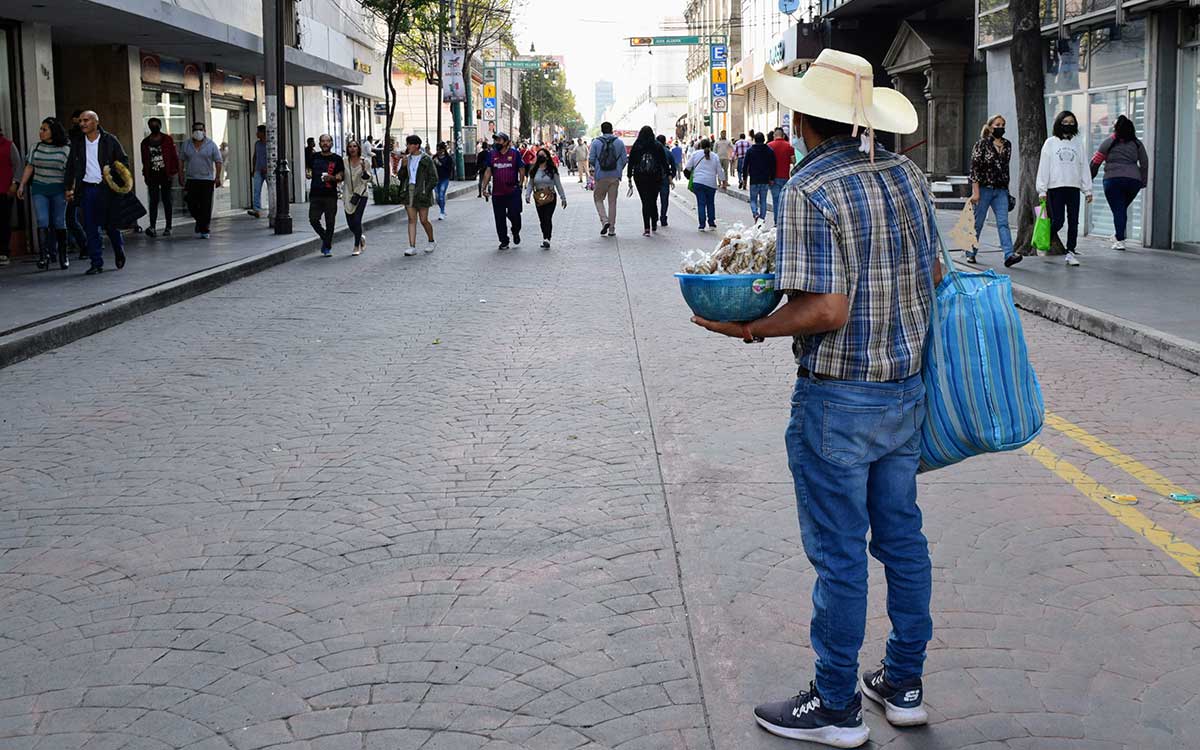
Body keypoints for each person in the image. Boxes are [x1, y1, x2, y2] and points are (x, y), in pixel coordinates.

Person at [691, 50, 940, 748]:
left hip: (839, 400)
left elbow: (824, 309)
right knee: (902, 539)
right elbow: (937, 272)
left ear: (801, 119)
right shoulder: (906, 175)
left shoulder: (810, 188)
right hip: (904, 390)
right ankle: (905, 682)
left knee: (840, 555)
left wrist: (750, 327)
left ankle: (836, 705)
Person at [65, 110, 128, 275]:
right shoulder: (77, 142)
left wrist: (111, 173)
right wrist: (68, 188)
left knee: (111, 224)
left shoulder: (110, 140)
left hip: (106, 188)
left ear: (96, 122)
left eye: (86, 120)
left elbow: (123, 161)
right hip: (87, 189)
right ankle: (96, 262)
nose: (82, 124)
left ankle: (118, 249)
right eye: (80, 121)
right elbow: (70, 166)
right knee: (90, 226)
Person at [1036, 110, 1092, 267]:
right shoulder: (1050, 143)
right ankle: (1043, 241)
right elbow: (1044, 167)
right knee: (1058, 221)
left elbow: (1083, 166)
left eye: (1071, 122)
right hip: (1056, 187)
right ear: (1059, 124)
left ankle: (1070, 252)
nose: (1068, 125)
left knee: (1074, 222)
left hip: (1073, 188)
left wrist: (1087, 189)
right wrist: (1042, 189)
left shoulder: (1078, 143)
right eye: (1065, 122)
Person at [16, 117, 71, 270]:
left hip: (59, 189)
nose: (41, 132)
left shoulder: (65, 149)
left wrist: (70, 189)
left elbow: (69, 171)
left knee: (59, 221)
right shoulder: (36, 147)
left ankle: (62, 255)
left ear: (53, 131)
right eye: (41, 129)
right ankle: (43, 256)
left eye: (44, 129)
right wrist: (22, 185)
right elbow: (29, 167)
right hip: (39, 188)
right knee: (42, 220)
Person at [1092, 114, 1149, 252]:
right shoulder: (1137, 143)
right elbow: (1145, 163)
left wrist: (1089, 178)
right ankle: (1118, 235)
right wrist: (1143, 181)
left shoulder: (1109, 142)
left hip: (1113, 180)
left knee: (1119, 210)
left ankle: (1120, 240)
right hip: (1133, 181)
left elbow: (1096, 162)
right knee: (1121, 209)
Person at [968, 114, 1019, 267]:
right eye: (997, 125)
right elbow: (974, 170)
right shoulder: (981, 145)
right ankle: (971, 252)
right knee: (978, 223)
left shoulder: (1007, 145)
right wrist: (975, 192)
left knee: (1003, 223)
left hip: (1001, 191)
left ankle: (1009, 254)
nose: (1000, 128)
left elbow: (1005, 170)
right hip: (984, 190)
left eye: (1003, 125)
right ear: (990, 127)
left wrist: (1007, 191)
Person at [179, 121, 223, 240]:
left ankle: (205, 228)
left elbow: (218, 161)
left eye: (200, 129)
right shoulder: (186, 144)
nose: (198, 132)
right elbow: (181, 160)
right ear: (192, 131)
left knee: (205, 205)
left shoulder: (211, 144)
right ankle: (200, 221)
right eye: (196, 130)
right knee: (191, 203)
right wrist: (181, 175)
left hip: (207, 180)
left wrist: (218, 177)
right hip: (192, 179)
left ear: (204, 131)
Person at [480, 132, 523, 250]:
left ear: (506, 142)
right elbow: (488, 171)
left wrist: (520, 183)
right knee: (499, 218)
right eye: (496, 140)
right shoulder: (492, 154)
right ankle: (504, 240)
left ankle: (515, 231)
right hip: (497, 192)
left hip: (512, 191)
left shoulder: (515, 154)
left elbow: (521, 168)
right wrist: (483, 188)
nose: (497, 143)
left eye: (499, 140)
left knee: (514, 214)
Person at [397, 134, 437, 257]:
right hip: (409, 190)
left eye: (410, 144)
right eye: (407, 144)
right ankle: (411, 246)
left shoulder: (426, 159)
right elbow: (401, 177)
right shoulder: (405, 159)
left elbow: (434, 177)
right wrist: (403, 167)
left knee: (423, 220)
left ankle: (431, 241)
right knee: (411, 219)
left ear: (417, 145)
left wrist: (427, 190)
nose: (408, 146)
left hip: (422, 191)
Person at [626, 126, 671, 236]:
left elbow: (631, 161)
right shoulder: (657, 145)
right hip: (655, 176)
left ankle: (647, 228)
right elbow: (664, 162)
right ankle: (654, 222)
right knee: (653, 200)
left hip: (640, 177)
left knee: (645, 201)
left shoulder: (637, 145)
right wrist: (668, 174)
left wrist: (629, 177)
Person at [140, 117, 178, 237]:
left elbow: (173, 156)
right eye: (151, 125)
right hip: (152, 175)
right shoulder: (145, 142)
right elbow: (144, 160)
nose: (154, 127)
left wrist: (173, 172)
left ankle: (168, 226)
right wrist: (146, 175)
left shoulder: (167, 139)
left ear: (160, 126)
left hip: (165, 174)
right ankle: (152, 227)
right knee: (153, 201)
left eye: (156, 125)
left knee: (167, 201)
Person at [306, 133, 344, 256]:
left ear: (332, 143)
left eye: (327, 141)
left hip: (330, 195)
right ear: (319, 143)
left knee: (330, 222)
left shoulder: (337, 159)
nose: (325, 143)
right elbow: (308, 169)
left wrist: (332, 178)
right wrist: (308, 173)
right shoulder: (314, 156)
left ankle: (326, 247)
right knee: (313, 219)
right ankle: (326, 239)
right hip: (315, 193)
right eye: (323, 141)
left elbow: (341, 176)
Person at [589, 122, 627, 237]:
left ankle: (604, 221)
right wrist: (618, 169)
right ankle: (612, 229)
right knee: (612, 202)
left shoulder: (596, 142)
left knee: (598, 199)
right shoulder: (619, 143)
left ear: (601, 130)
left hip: (601, 176)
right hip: (615, 176)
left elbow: (591, 159)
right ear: (612, 130)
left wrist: (598, 168)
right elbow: (625, 159)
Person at [524, 146, 567, 249]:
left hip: (550, 197)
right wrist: (527, 195)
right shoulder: (534, 169)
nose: (541, 157)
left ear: (547, 157)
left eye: (543, 155)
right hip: (538, 197)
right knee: (542, 219)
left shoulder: (552, 169)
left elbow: (558, 184)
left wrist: (563, 198)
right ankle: (545, 237)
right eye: (539, 156)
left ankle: (547, 238)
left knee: (547, 217)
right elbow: (530, 184)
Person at [683, 137, 726, 231]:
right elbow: (720, 170)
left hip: (698, 182)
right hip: (711, 183)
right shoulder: (714, 156)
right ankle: (711, 224)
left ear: (700, 146)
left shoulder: (695, 154)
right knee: (710, 203)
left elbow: (688, 167)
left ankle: (701, 225)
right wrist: (723, 182)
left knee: (701, 203)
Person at [342, 138, 374, 256]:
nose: (352, 149)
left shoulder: (365, 161)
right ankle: (360, 237)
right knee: (351, 223)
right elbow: (340, 174)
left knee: (357, 220)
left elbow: (369, 178)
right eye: (350, 147)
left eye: (355, 146)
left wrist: (365, 170)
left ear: (358, 148)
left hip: (361, 193)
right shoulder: (344, 161)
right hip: (348, 194)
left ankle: (356, 246)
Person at [64, 111, 88, 258]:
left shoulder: (71, 146)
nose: (80, 124)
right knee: (70, 218)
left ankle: (85, 244)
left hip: (79, 184)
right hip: (67, 185)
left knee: (74, 217)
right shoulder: (72, 140)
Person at [0, 125, 24, 266]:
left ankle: (3, 252)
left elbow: (17, 165)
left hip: (4, 190)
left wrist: (15, 183)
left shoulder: (9, 145)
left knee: (3, 221)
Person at [743, 131, 775, 223]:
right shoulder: (769, 150)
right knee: (763, 201)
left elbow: (745, 166)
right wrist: (772, 178)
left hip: (754, 179)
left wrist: (744, 179)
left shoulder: (750, 150)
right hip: (765, 179)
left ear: (754, 140)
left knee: (753, 199)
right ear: (764, 140)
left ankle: (755, 213)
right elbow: (773, 165)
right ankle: (762, 218)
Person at [768, 127, 795, 223]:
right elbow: (793, 161)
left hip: (773, 178)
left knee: (776, 201)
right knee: (785, 201)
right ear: (783, 135)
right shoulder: (789, 146)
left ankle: (777, 222)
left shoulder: (769, 146)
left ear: (774, 135)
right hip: (785, 177)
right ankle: (785, 221)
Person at [656, 134, 676, 227]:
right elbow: (673, 166)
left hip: (653, 179)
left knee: (653, 199)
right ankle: (663, 217)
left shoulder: (653, 151)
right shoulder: (668, 152)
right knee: (664, 200)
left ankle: (654, 217)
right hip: (664, 178)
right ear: (664, 142)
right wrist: (671, 176)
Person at [250, 124, 269, 219]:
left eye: (258, 132)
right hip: (258, 169)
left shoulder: (270, 143)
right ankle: (256, 209)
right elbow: (255, 156)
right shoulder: (257, 144)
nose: (256, 134)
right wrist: (253, 169)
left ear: (263, 133)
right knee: (256, 190)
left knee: (271, 190)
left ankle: (273, 209)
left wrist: (268, 168)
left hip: (268, 171)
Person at [433, 142, 453, 220]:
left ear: (443, 149)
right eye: (437, 149)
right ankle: (442, 209)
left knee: (441, 194)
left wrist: (440, 164)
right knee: (437, 197)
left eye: (440, 149)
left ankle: (442, 211)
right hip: (435, 179)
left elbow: (449, 169)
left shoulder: (448, 158)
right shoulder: (434, 157)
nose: (438, 151)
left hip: (444, 178)